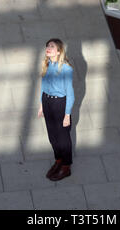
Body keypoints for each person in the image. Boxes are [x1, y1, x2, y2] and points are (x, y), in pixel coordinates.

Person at [37, 38, 75, 181]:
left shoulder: (66, 69)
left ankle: (66, 166)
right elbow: (43, 87)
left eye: (52, 46)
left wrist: (67, 115)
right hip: (47, 102)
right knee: (52, 136)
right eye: (47, 46)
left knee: (63, 138)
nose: (48, 48)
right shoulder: (47, 65)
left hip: (60, 104)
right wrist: (41, 105)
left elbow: (70, 94)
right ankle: (58, 160)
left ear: (59, 51)